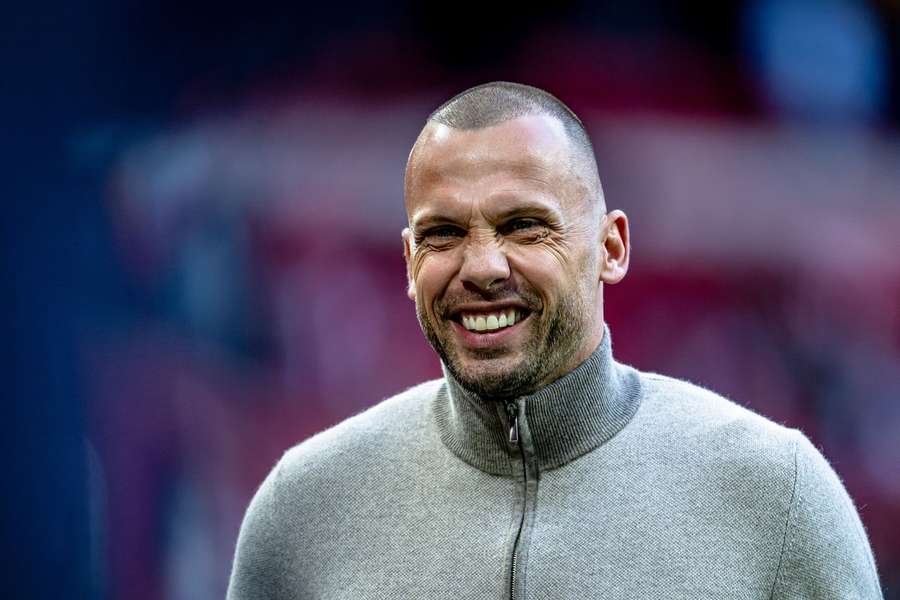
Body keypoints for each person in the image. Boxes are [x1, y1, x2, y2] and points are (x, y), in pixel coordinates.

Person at [226, 82, 883, 599]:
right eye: (444, 234)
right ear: (407, 263)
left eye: (523, 226)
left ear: (611, 247)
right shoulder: (306, 507)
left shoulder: (775, 494)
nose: (481, 267)